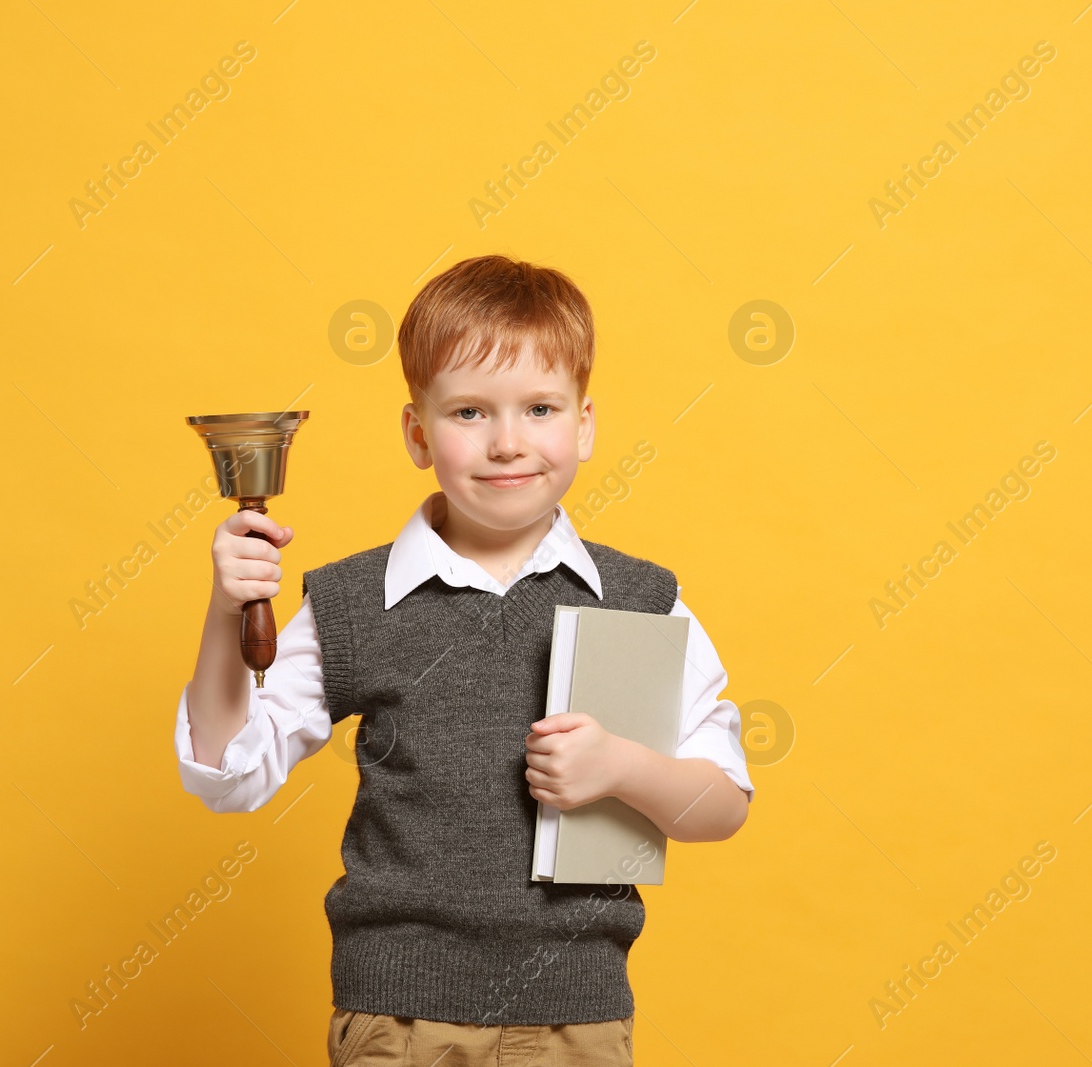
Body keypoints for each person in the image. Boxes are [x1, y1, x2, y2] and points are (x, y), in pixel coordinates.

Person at [174, 254, 754, 1066]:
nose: (508, 442)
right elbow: (229, 774)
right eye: (471, 412)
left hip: (575, 1020)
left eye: (540, 407)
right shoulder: (354, 601)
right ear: (418, 433)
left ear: (584, 424)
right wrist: (224, 613)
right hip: (400, 1020)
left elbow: (722, 804)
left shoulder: (640, 597)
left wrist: (619, 767)